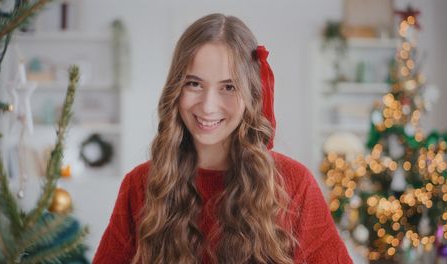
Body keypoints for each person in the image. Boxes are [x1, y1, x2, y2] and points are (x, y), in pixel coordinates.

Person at [93, 13, 352, 264]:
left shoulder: (294, 185)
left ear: (251, 94)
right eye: (194, 84)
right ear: (176, 89)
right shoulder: (140, 185)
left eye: (228, 87)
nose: (208, 106)